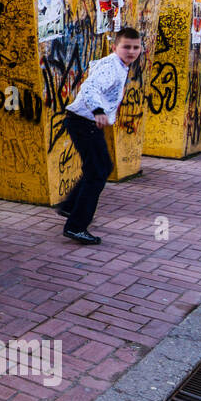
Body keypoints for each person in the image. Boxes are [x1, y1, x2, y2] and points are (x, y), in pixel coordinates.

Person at [55, 27, 143, 244]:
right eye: (126, 47)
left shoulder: (119, 65)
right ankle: (76, 226)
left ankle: (70, 207)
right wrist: (98, 111)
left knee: (101, 167)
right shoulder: (111, 67)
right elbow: (89, 87)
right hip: (84, 121)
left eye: (135, 47)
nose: (131, 52)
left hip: (85, 122)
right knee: (98, 172)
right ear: (115, 47)